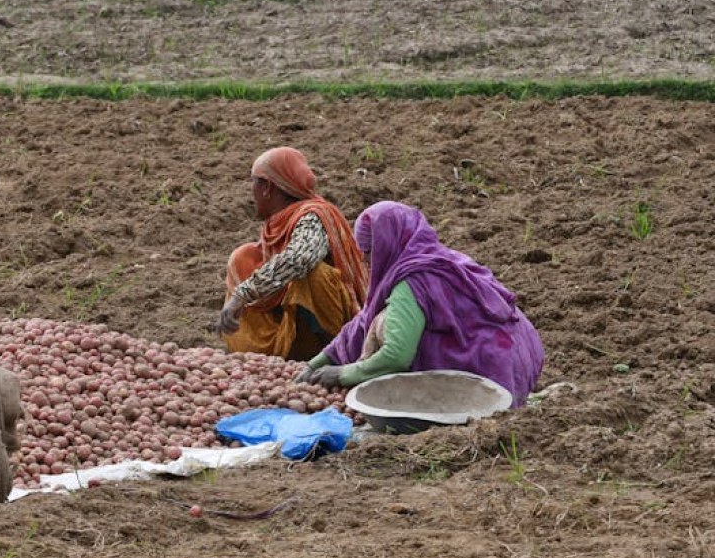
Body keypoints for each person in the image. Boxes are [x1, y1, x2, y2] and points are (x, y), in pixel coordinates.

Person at [296, 201, 544, 406]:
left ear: (387, 245)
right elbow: (361, 322)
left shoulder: (413, 280)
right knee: (386, 319)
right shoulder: (436, 257)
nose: (366, 261)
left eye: (370, 252)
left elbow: (397, 355)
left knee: (390, 325)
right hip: (517, 359)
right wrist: (319, 361)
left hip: (492, 375)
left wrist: (342, 374)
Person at [216, 147, 369, 361]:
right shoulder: (276, 226)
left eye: (254, 181)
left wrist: (243, 294)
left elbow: (300, 258)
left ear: (267, 187)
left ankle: (337, 354)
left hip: (336, 324)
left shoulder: (313, 215)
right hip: (292, 328)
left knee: (312, 275)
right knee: (243, 258)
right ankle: (273, 354)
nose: (251, 191)